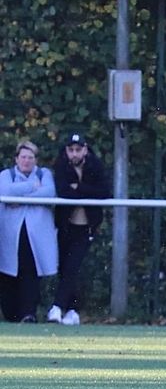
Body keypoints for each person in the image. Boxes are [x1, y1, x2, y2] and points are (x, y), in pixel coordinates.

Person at [46, 133, 111, 325]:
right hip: (65, 225)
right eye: (70, 150)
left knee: (73, 266)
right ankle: (73, 310)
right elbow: (63, 191)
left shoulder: (95, 166)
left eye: (78, 150)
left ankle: (57, 307)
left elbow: (104, 192)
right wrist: (83, 190)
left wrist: (79, 188)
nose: (74, 154)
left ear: (85, 149)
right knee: (64, 268)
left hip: (86, 228)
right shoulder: (61, 165)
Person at [0, 141, 58, 322]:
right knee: (7, 272)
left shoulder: (44, 174)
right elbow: (5, 191)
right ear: (17, 159)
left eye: (30, 157)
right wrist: (32, 187)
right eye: (23, 157)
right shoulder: (6, 175)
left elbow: (49, 193)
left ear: (36, 160)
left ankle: (28, 313)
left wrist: (21, 198)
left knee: (30, 272)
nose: (26, 161)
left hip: (35, 236)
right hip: (10, 234)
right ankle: (11, 314)